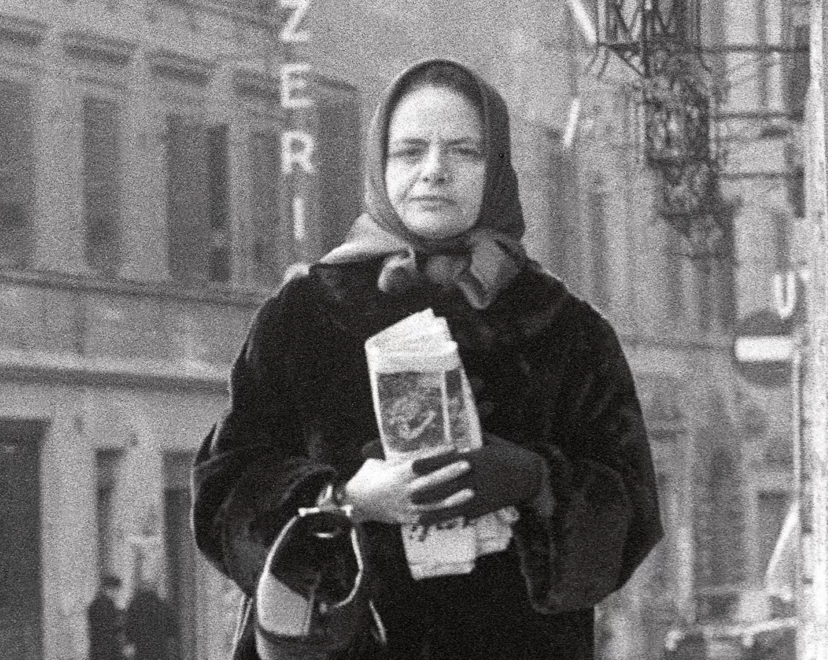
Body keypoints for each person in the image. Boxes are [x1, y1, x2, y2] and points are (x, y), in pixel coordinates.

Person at [192, 58, 662, 660]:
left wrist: (533, 481)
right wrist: (344, 499)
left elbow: (633, 519)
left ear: (496, 170)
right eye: (409, 152)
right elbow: (221, 498)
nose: (433, 172)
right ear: (379, 165)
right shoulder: (304, 315)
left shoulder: (567, 330)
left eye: (463, 152)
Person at [123, 584, 177, 660]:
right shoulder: (162, 605)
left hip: (141, 646)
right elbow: (172, 628)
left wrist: (130, 641)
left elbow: (130, 627)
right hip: (160, 646)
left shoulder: (135, 605)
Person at [88, 575, 125, 660]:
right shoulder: (106, 605)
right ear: (109, 589)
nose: (117, 593)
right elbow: (108, 628)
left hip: (98, 649)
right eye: (117, 590)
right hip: (107, 650)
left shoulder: (95, 604)